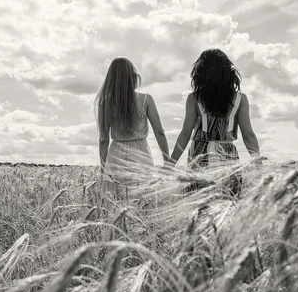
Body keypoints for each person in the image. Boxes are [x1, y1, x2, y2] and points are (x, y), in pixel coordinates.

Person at [169, 49, 261, 197]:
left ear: (200, 72)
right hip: (227, 155)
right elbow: (248, 135)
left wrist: (170, 164)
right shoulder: (240, 99)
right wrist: (258, 163)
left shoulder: (194, 98)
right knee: (228, 200)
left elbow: (185, 134)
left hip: (199, 155)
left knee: (198, 202)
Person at [95, 57, 170, 198]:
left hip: (116, 155)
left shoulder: (105, 102)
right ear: (132, 76)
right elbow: (159, 132)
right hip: (141, 154)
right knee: (143, 200)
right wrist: (167, 162)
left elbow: (103, 139)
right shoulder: (146, 99)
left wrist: (104, 167)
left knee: (116, 201)